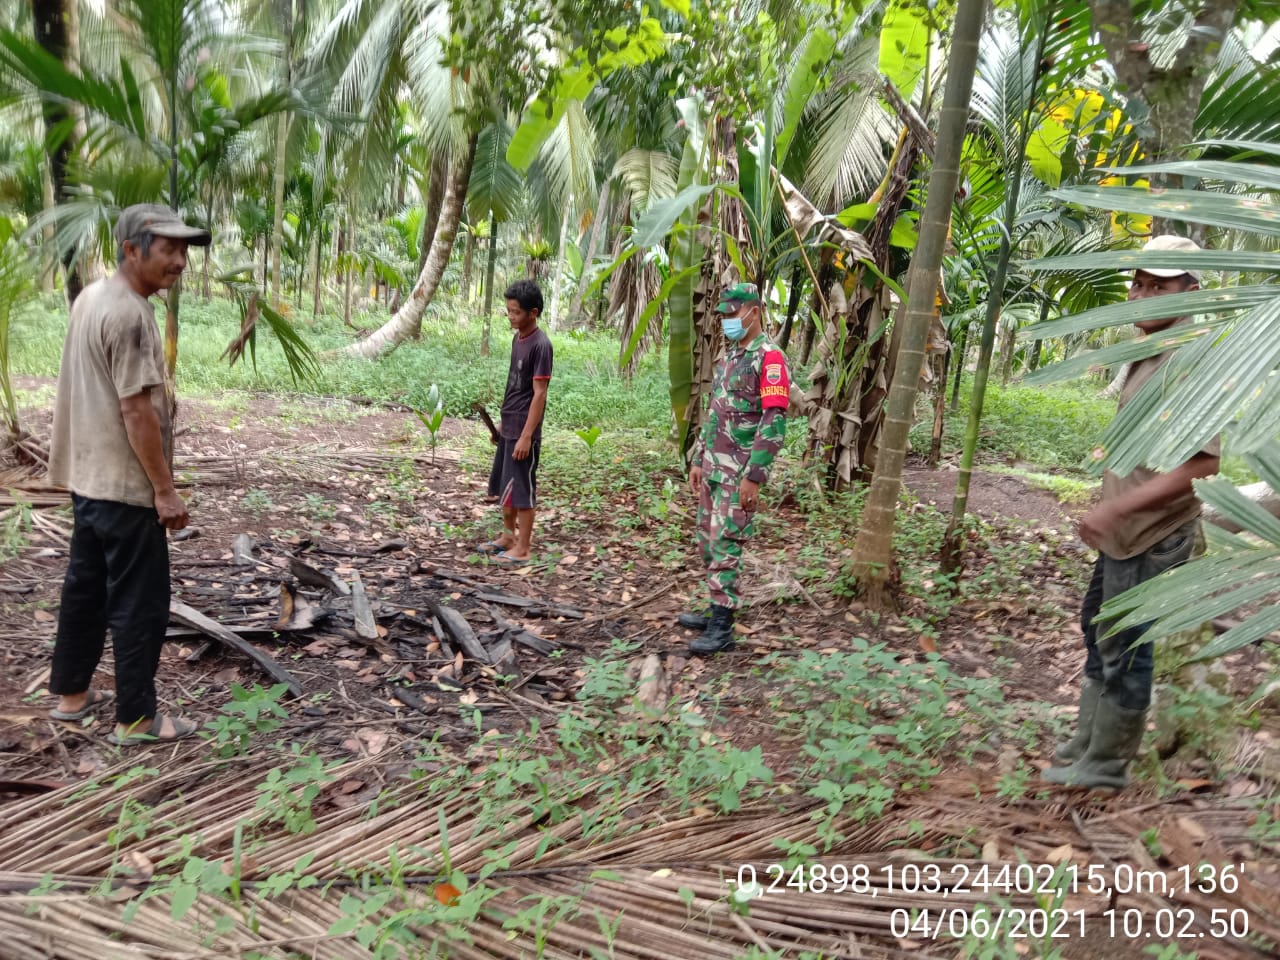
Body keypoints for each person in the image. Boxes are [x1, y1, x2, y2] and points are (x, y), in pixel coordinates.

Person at [1045, 234, 1219, 789]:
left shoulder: (1188, 362)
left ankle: (1106, 764)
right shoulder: (1151, 351)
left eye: (1159, 286)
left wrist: (1116, 511)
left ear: (1190, 293)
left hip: (1151, 533)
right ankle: (1086, 743)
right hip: (1125, 529)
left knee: (1126, 643)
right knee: (1100, 630)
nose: (1142, 295)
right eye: (1139, 283)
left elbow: (1200, 466)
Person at [46, 203, 209, 745]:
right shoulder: (131, 314)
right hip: (125, 488)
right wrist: (164, 491)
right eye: (169, 248)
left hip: (87, 481)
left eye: (184, 250)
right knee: (139, 604)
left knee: (85, 590)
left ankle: (71, 695)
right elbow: (136, 411)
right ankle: (136, 717)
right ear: (132, 249)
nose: (180, 261)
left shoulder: (92, 297)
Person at [682, 282, 789, 655]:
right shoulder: (730, 357)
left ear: (753, 312)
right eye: (724, 315)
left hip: (738, 473)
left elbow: (773, 421)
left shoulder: (769, 359)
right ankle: (715, 608)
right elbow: (715, 413)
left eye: (732, 314)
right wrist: (698, 460)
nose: (727, 321)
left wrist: (754, 477)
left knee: (727, 544)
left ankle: (723, 628)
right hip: (714, 468)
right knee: (708, 543)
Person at [478, 280, 552, 565]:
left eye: (516, 312)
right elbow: (515, 386)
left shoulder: (541, 345)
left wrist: (526, 436)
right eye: (508, 311)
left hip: (525, 429)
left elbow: (539, 393)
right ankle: (508, 537)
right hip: (510, 423)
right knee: (506, 485)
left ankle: (523, 547)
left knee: (521, 488)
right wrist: (501, 424)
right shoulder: (517, 338)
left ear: (533, 313)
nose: (511, 317)